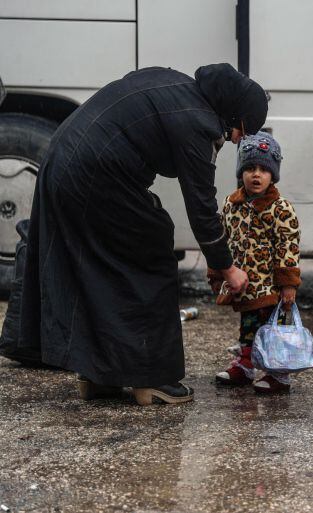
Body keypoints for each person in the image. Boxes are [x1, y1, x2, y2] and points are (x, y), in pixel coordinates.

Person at [14, 63, 268, 405]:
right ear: (233, 114)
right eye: (243, 130)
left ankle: (99, 374)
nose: (240, 139)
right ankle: (152, 378)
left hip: (61, 162)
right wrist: (227, 267)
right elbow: (202, 210)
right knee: (153, 256)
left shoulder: (172, 82)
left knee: (100, 267)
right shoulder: (200, 123)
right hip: (94, 176)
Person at [208, 132, 301, 394]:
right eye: (249, 168)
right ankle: (246, 365)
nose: (256, 175)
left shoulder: (280, 209)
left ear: (273, 174)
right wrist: (217, 273)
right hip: (245, 284)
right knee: (248, 327)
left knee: (273, 330)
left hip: (271, 287)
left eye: (263, 169)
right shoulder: (231, 204)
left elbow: (288, 246)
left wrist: (288, 284)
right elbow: (222, 240)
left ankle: (277, 373)